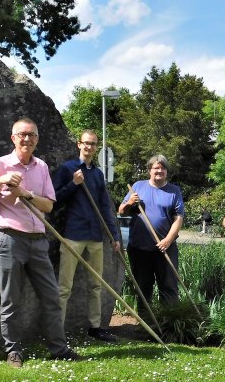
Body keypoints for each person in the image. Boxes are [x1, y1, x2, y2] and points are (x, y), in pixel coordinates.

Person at [0, 117, 80, 368]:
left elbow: (48, 205)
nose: (27, 139)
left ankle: (59, 349)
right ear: (13, 138)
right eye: (22, 134)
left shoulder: (41, 167)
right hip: (10, 239)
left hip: (38, 240)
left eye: (32, 135)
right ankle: (13, 351)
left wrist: (26, 194)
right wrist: (0, 182)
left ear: (37, 140)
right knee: (10, 299)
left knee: (51, 297)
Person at [52, 130, 121, 342]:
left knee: (96, 285)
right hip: (73, 234)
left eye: (93, 144)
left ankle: (95, 327)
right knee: (64, 286)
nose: (89, 147)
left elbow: (104, 207)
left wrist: (114, 234)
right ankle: (57, 331)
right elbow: (52, 198)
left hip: (95, 236)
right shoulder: (68, 169)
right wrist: (73, 184)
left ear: (96, 147)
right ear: (78, 144)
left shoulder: (98, 174)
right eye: (86, 143)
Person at [118, 155, 185, 313]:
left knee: (169, 288)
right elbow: (121, 212)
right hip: (140, 249)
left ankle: (169, 325)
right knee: (143, 289)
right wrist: (129, 203)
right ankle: (145, 326)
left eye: (162, 168)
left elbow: (178, 219)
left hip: (165, 249)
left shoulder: (174, 191)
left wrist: (168, 240)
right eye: (156, 168)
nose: (159, 171)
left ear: (166, 171)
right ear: (149, 170)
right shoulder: (138, 186)